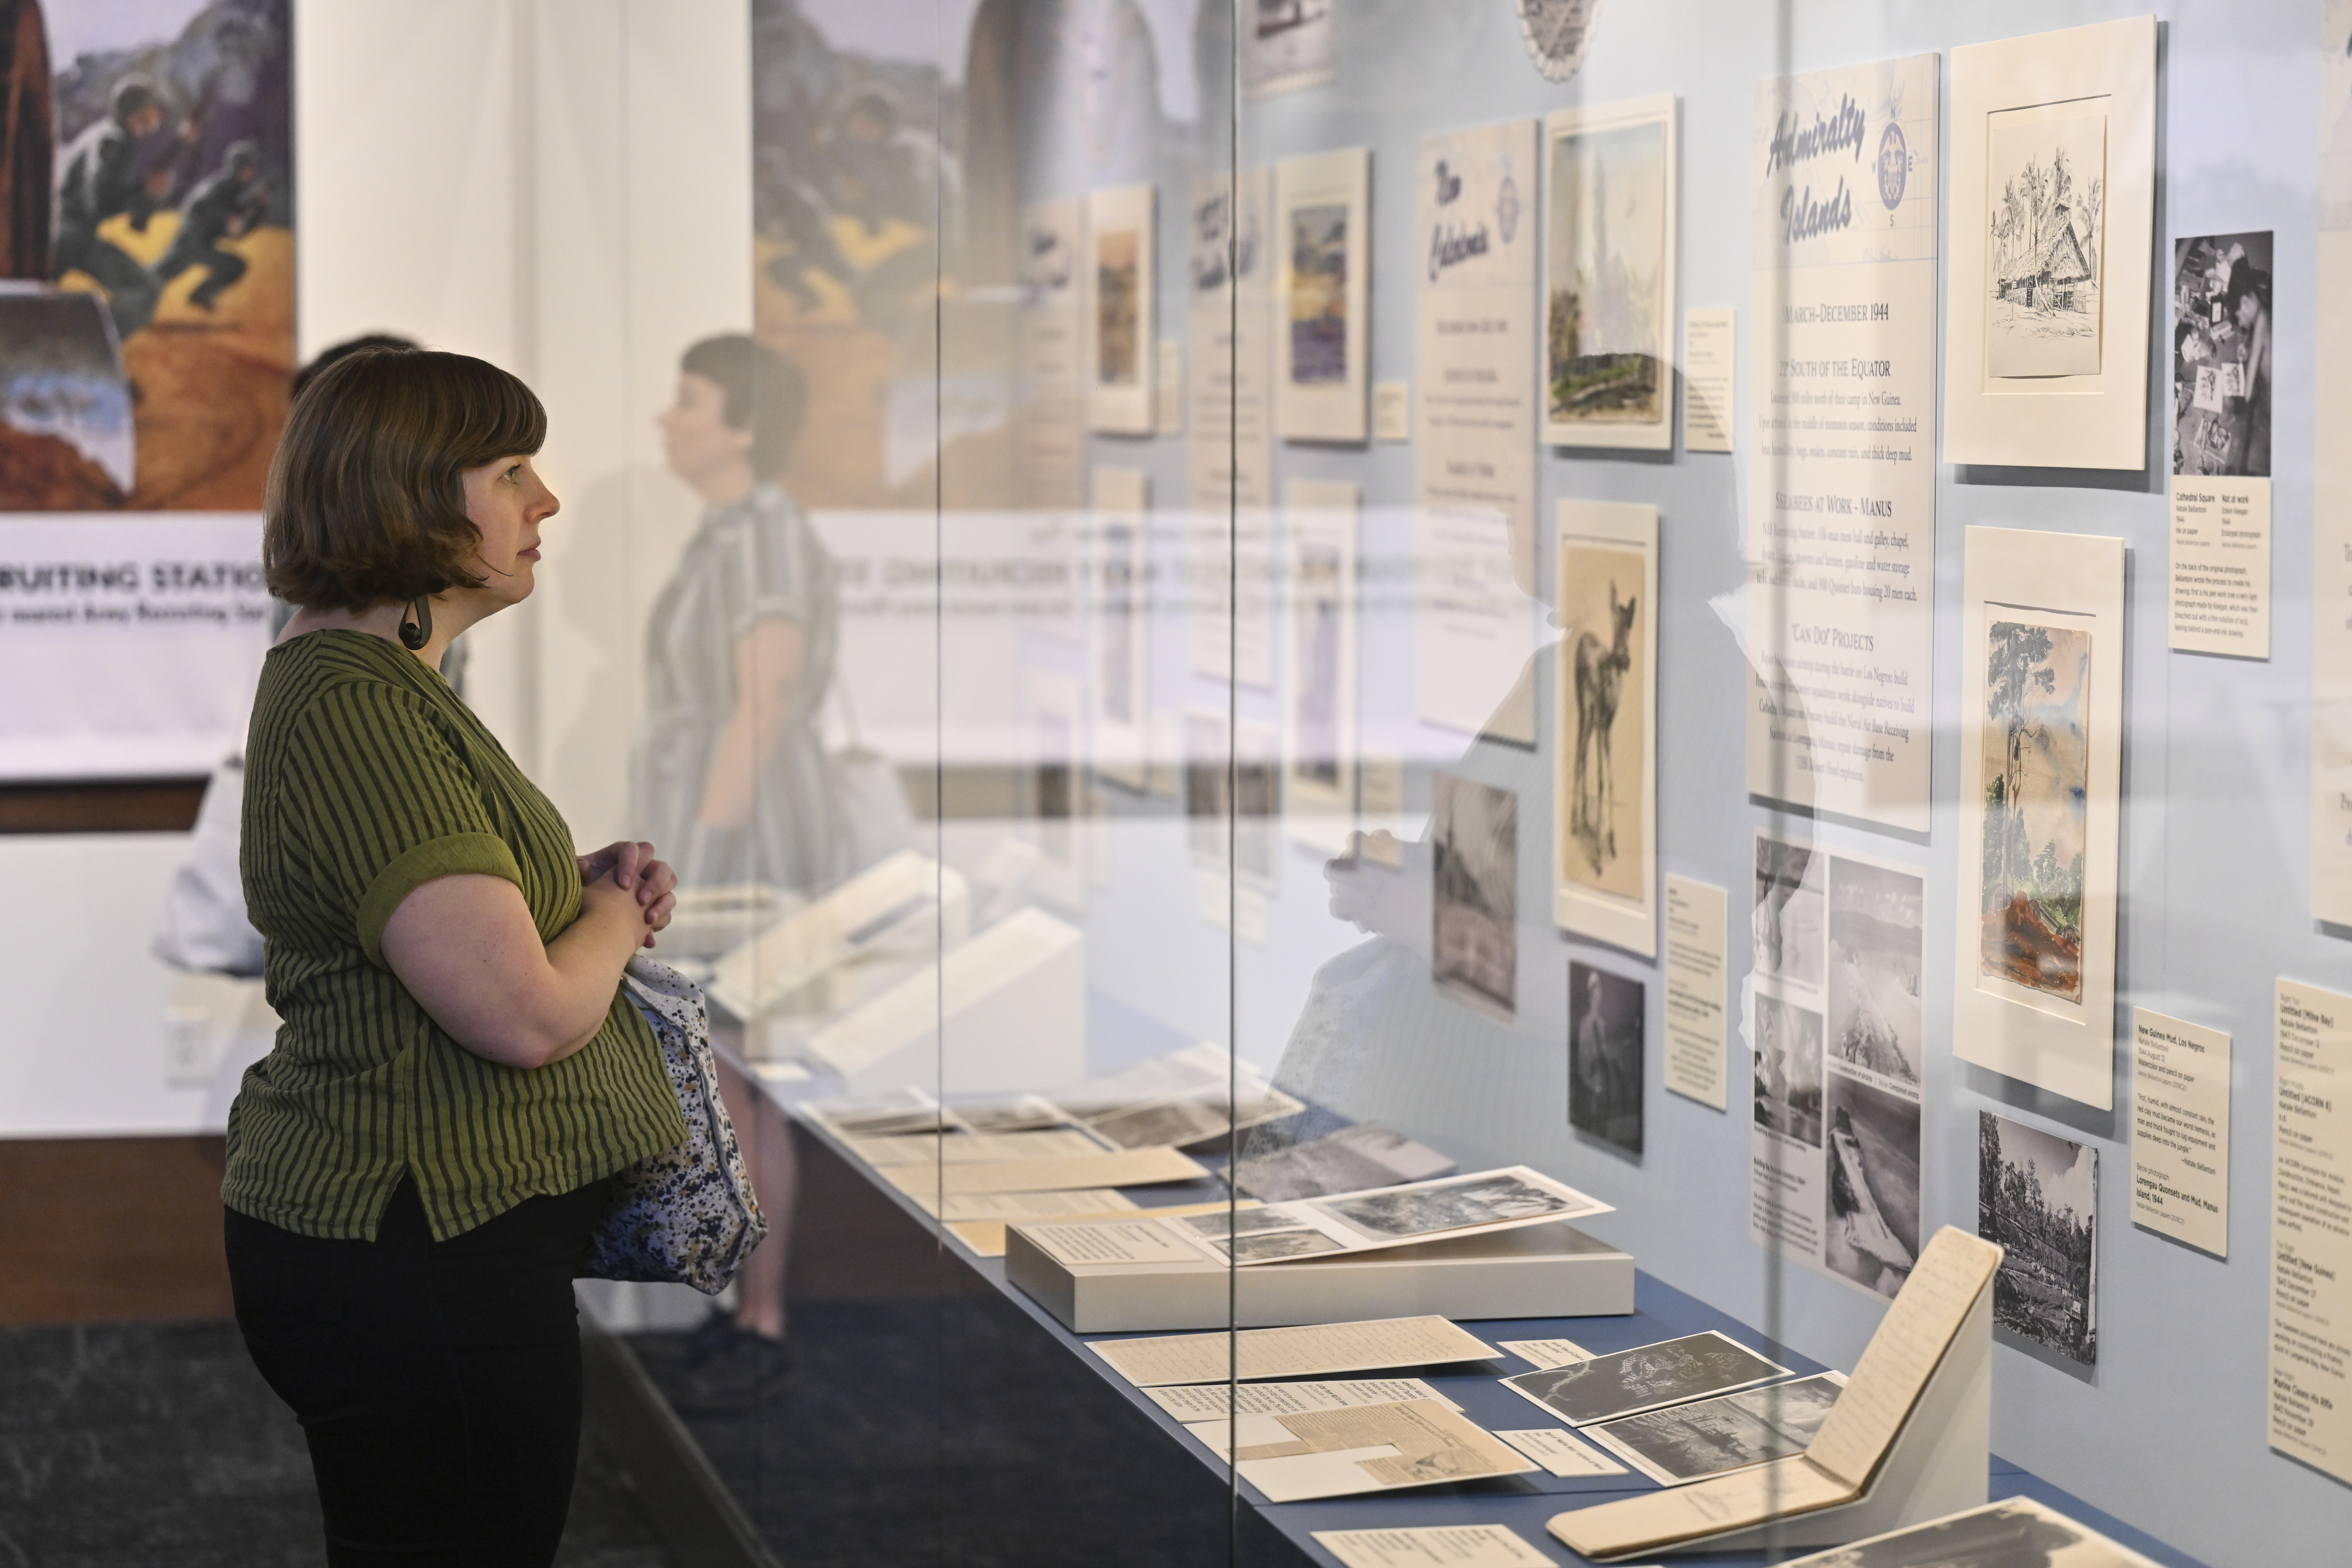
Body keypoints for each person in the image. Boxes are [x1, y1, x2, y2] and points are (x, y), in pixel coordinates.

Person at [224, 348, 694, 1567]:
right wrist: (613, 918)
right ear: (412, 496)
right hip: (413, 1250)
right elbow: (526, 1013)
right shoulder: (357, 706)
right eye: (510, 470)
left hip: (421, 1245)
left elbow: (452, 915)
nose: (546, 501)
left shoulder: (381, 684)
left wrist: (567, 886)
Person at [632, 333, 834, 1389]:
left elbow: (758, 713)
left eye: (690, 399)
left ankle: (762, 1321)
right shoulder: (727, 535)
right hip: (719, 824)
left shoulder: (763, 536)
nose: (670, 418)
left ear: (743, 425)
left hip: (747, 836)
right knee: (731, 1077)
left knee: (745, 1074)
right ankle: (752, 1309)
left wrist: (704, 861)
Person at [53, 74, 170, 339]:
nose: (159, 114)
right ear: (138, 113)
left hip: (64, 233)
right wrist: (145, 191)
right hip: (73, 237)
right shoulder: (114, 142)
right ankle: (94, 347)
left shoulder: (108, 134)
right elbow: (99, 202)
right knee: (144, 290)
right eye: (154, 108)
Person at [155, 138, 268, 311]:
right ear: (239, 167)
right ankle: (200, 295)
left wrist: (257, 207)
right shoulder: (222, 187)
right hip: (193, 244)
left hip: (198, 244)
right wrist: (225, 218)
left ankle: (201, 295)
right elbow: (199, 210)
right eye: (249, 168)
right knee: (154, 278)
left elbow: (236, 231)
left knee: (156, 277)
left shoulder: (231, 189)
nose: (253, 173)